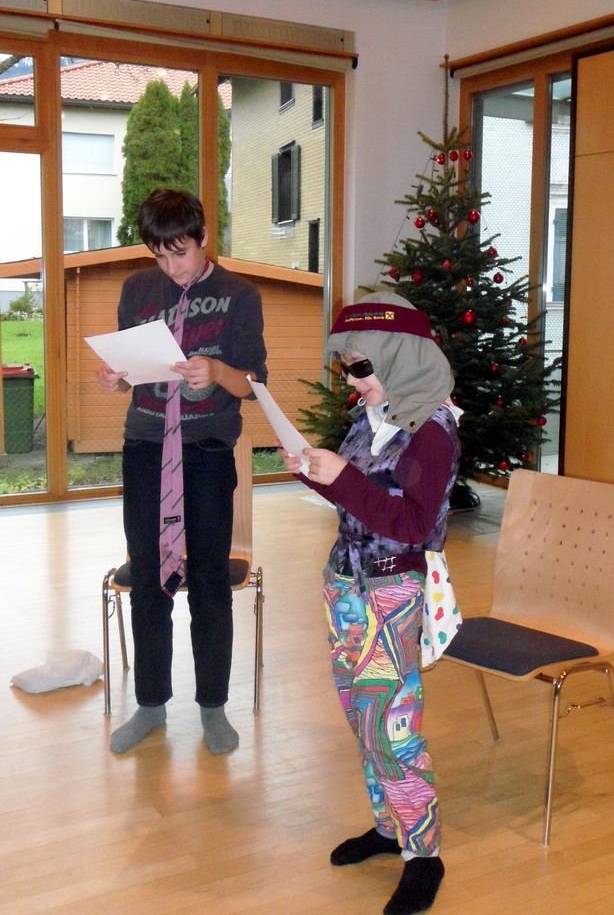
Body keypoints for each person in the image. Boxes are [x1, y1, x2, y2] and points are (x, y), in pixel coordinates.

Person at [281, 292, 460, 915]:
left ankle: (424, 852)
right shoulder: (376, 415)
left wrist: (344, 478)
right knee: (362, 716)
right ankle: (389, 827)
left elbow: (412, 525)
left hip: (390, 588)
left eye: (362, 367)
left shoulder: (432, 430)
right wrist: (311, 468)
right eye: (346, 367)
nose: (352, 379)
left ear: (400, 357)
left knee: (392, 726)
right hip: (346, 584)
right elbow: (355, 494)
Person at [96, 188, 268, 756]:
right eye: (159, 256)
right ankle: (150, 705)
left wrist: (217, 370)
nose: (171, 268)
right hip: (146, 445)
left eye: (181, 253)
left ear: (204, 238)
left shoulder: (239, 295)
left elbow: (253, 384)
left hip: (208, 449)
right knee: (149, 578)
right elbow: (131, 369)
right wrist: (116, 377)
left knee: (210, 580)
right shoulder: (136, 290)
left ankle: (213, 707)